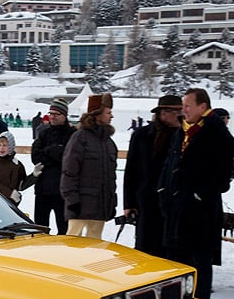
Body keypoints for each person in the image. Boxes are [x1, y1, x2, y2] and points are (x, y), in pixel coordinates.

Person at [159, 87, 234, 299]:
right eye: (183, 106)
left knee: (200, 263)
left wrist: (199, 193)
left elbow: (224, 174)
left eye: (188, 106)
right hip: (176, 206)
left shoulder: (216, 132)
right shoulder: (182, 132)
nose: (183, 110)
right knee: (176, 262)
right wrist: (163, 190)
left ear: (203, 107)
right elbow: (171, 163)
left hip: (200, 210)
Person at [123, 95, 183, 257]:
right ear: (162, 113)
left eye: (182, 110)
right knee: (146, 249)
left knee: (172, 251)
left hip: (174, 202)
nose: (180, 115)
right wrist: (129, 203)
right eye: (175, 111)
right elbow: (131, 171)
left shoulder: (185, 135)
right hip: (147, 201)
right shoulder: (142, 135)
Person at [61, 93, 117, 239]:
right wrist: (72, 201)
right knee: (73, 246)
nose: (111, 116)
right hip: (79, 207)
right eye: (108, 112)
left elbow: (111, 178)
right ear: (97, 115)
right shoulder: (80, 138)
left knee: (95, 249)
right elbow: (69, 172)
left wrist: (111, 202)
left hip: (99, 208)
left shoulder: (109, 144)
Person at [31, 98, 76, 234]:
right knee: (40, 230)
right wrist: (53, 151)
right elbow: (35, 157)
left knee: (64, 230)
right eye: (51, 113)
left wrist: (49, 153)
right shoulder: (44, 133)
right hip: (42, 189)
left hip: (62, 191)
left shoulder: (72, 134)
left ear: (64, 115)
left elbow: (69, 158)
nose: (52, 117)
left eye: (56, 114)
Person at [0, 131, 36, 205]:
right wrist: (10, 193)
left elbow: (21, 185)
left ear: (11, 146)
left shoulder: (17, 164)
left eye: (5, 145)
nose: (1, 148)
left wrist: (34, 176)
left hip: (10, 205)